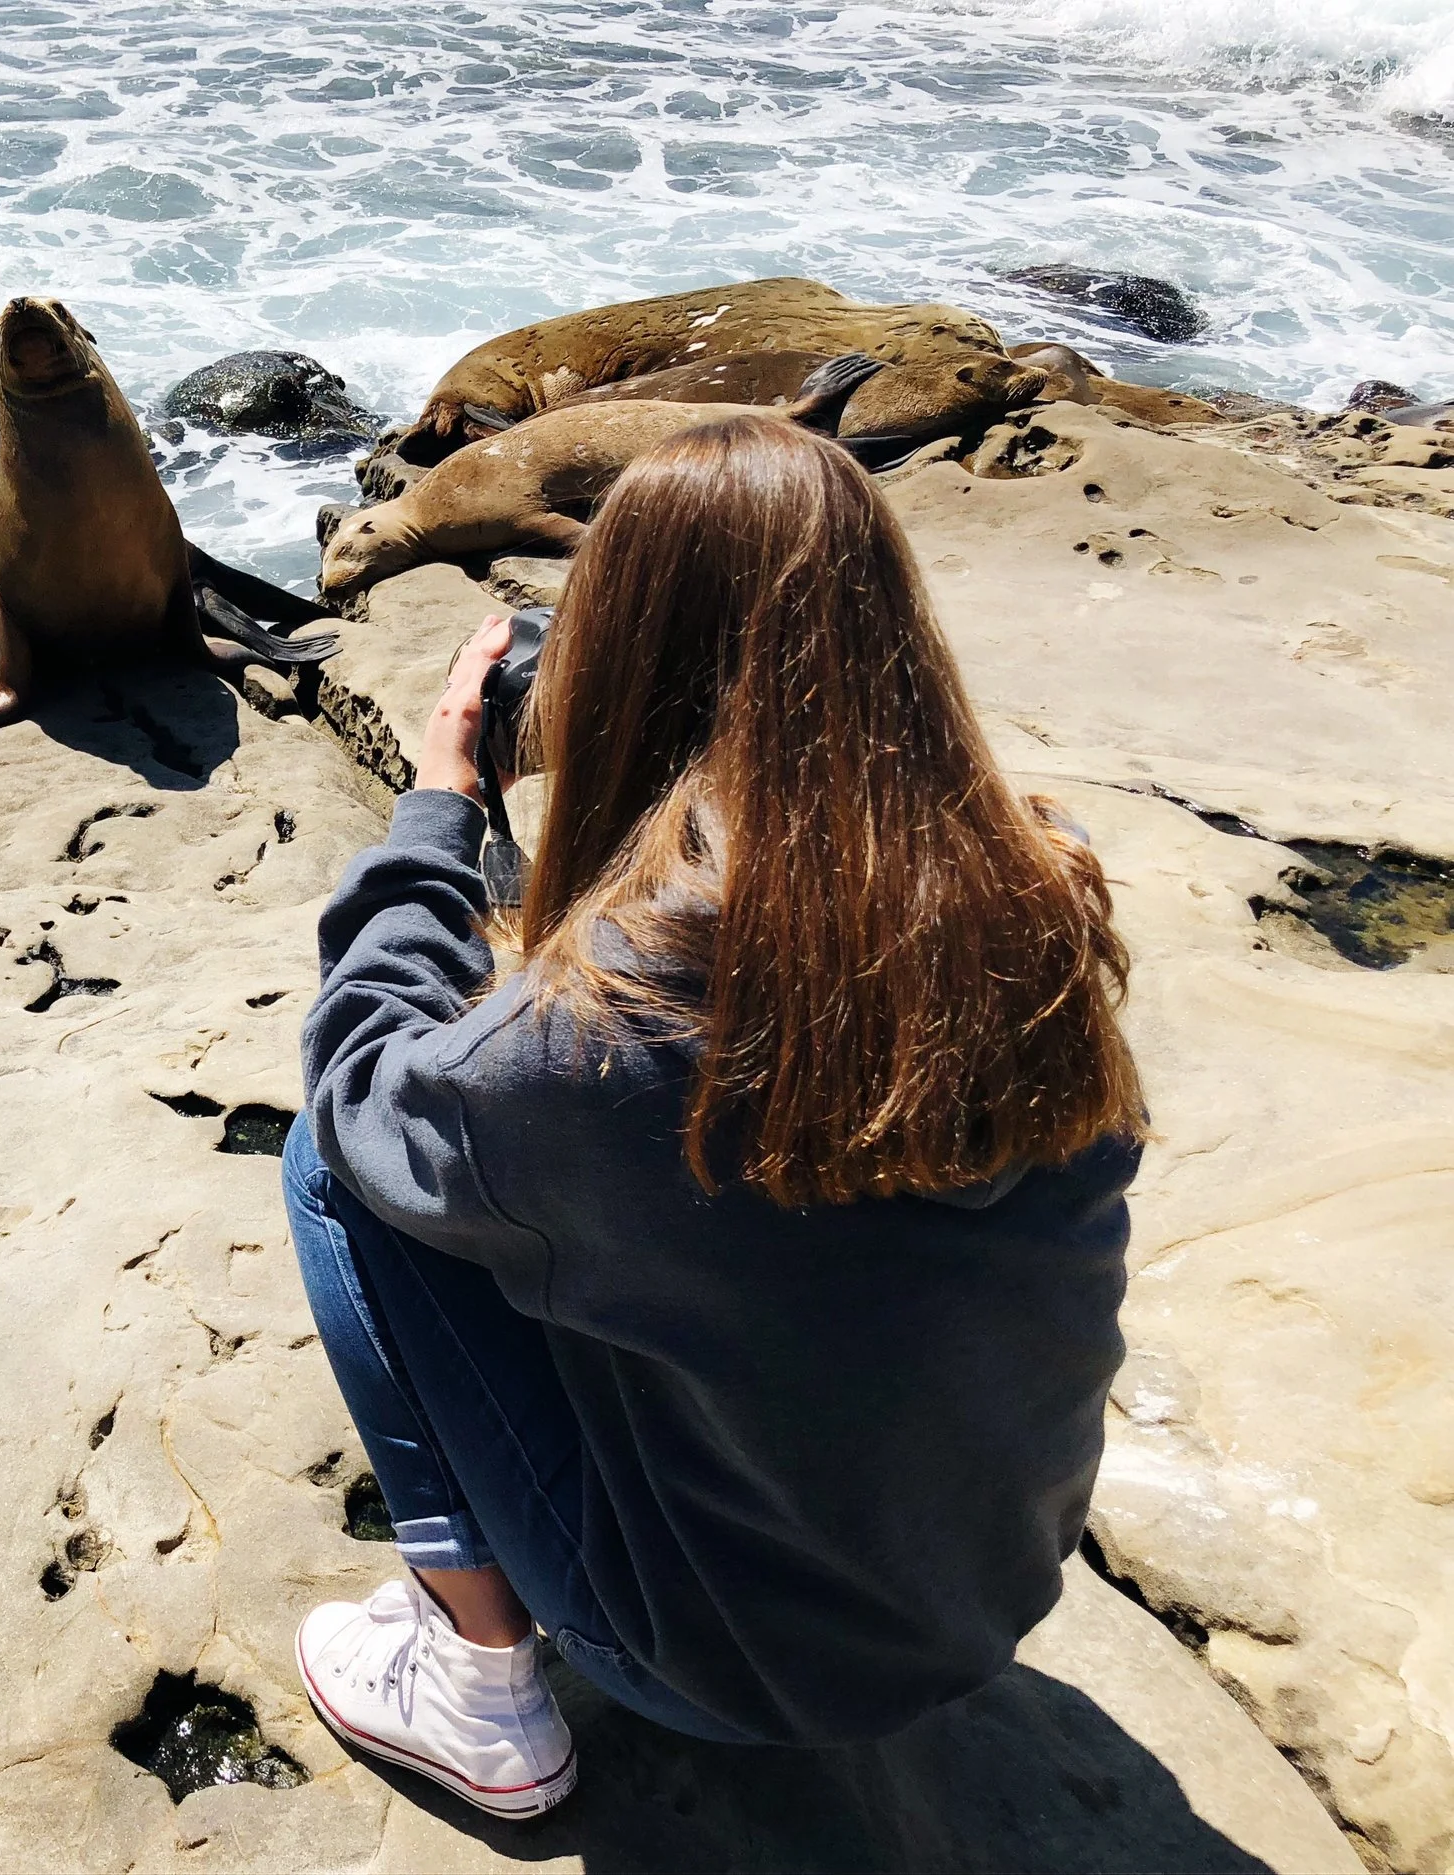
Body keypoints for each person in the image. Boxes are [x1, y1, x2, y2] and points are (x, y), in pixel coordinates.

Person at [283, 414, 1147, 1817]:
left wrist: (442, 813)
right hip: (987, 1597)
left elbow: (365, 1076)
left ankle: (474, 1684)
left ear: (621, 662)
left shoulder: (603, 1032)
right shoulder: (1035, 894)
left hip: (714, 1670)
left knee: (338, 1164)